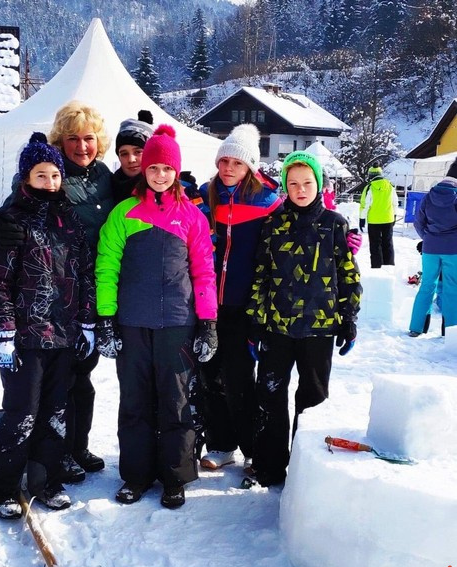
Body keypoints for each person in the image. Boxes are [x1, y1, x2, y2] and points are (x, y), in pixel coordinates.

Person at [0, 101, 114, 484]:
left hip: (87, 295)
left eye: (89, 138)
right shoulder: (46, 173)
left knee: (81, 380)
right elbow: (8, 213)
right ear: (59, 141)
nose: (82, 146)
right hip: (43, 302)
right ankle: (54, 457)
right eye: (73, 139)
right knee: (49, 390)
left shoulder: (105, 177)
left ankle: (74, 447)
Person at [95, 124, 217, 509]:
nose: (160, 175)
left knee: (176, 401)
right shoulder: (123, 213)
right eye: (153, 168)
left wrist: (208, 323)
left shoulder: (192, 217)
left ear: (176, 171)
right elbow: (107, 268)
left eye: (167, 168)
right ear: (143, 170)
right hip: (132, 323)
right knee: (135, 400)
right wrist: (105, 318)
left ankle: (175, 476)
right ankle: (136, 474)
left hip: (178, 324)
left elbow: (204, 272)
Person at [246, 151, 362, 487]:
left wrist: (348, 318)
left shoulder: (335, 224)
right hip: (277, 327)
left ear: (319, 184)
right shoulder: (273, 225)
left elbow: (348, 275)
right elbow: (261, 275)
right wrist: (256, 322)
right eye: (293, 183)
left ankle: (304, 470)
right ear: (285, 186)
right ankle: (269, 466)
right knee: (270, 395)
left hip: (319, 329)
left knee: (312, 400)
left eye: (307, 183)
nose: (300, 190)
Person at [197, 123, 283, 472]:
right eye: (224, 161)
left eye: (237, 162)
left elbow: (297, 231)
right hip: (207, 303)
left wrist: (340, 238)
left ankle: (250, 446)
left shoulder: (268, 202)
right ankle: (221, 444)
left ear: (250, 167)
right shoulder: (205, 195)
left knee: (240, 378)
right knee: (209, 375)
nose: (229, 168)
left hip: (245, 305)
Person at [408, 165, 457, 338]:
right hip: (453, 249)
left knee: (427, 285)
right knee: (452, 288)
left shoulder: (429, 196)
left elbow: (418, 223)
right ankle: (450, 331)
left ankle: (416, 327)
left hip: (430, 249)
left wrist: (428, 238)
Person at [359, 163, 398, 268]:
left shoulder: (369, 188)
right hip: (388, 219)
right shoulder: (390, 186)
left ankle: (376, 266)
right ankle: (389, 265)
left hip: (374, 220)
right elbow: (395, 202)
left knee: (375, 244)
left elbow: (364, 205)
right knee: (388, 243)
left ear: (370, 175)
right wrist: (394, 215)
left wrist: (362, 219)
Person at [113, 110, 154, 202]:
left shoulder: (163, 190)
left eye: (138, 152)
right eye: (124, 154)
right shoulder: (107, 187)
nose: (131, 159)